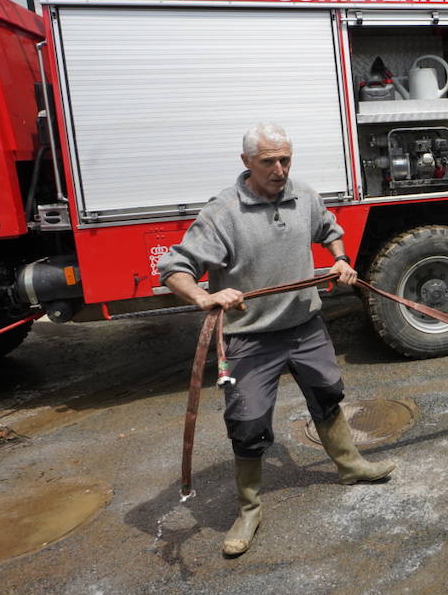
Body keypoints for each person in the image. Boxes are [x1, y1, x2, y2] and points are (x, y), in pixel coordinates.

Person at [158, 123, 395, 558]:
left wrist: (340, 259)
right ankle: (249, 510)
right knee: (247, 423)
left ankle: (350, 466)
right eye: (269, 161)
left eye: (286, 159)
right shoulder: (222, 214)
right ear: (246, 162)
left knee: (327, 393)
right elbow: (174, 267)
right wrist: (206, 295)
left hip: (305, 326)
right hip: (249, 338)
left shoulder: (303, 195)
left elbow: (330, 228)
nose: (280, 169)